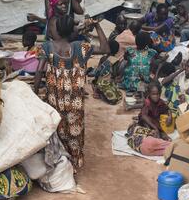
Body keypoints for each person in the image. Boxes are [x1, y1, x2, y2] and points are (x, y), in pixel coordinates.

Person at [33, 15, 109, 171]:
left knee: (57, 130)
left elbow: (39, 71)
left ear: (58, 30)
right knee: (74, 132)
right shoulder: (80, 47)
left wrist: (35, 92)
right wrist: (97, 27)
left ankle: (60, 164)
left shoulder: (46, 47)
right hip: (75, 101)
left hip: (55, 100)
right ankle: (74, 164)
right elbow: (105, 49)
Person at [126, 81, 173, 156]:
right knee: (138, 133)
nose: (156, 96)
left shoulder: (161, 102)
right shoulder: (147, 102)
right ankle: (153, 137)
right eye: (153, 94)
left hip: (155, 124)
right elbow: (144, 116)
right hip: (145, 124)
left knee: (164, 136)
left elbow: (167, 109)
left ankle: (161, 139)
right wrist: (155, 128)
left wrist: (170, 116)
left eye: (158, 94)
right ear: (149, 94)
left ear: (160, 94)